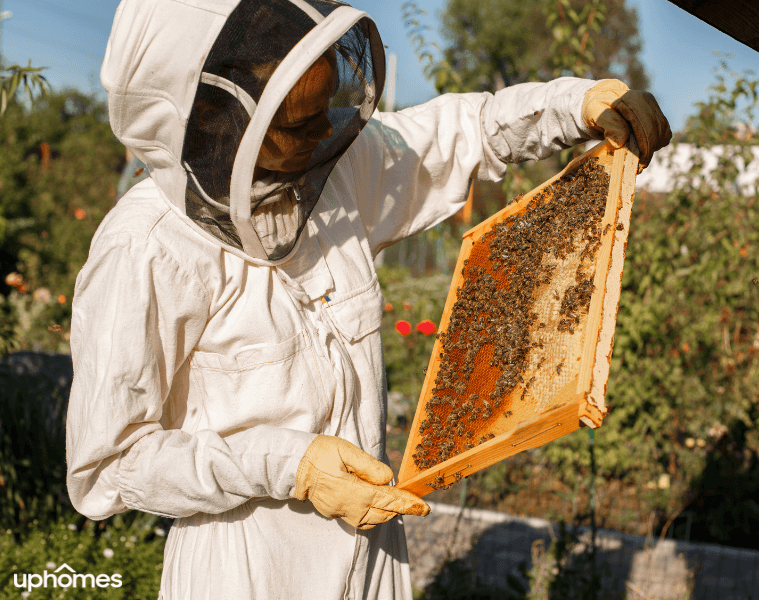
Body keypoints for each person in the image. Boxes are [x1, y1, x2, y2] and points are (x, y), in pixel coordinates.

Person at [65, 0, 671, 599]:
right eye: (298, 124)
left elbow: (467, 131)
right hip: (247, 571)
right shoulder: (144, 248)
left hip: (376, 558)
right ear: (217, 121)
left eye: (328, 109)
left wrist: (577, 104)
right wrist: (290, 466)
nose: (326, 133)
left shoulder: (334, 175)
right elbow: (109, 464)